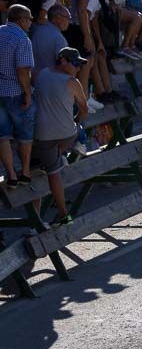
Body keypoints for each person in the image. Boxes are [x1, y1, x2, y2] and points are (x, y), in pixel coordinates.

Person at [32, 47, 89, 225]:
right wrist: (77, 121)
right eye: (75, 63)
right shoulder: (73, 82)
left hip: (41, 136)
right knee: (52, 174)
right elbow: (84, 109)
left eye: (79, 64)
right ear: (63, 61)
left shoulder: (40, 74)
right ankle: (64, 215)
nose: (78, 68)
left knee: (38, 170)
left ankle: (37, 220)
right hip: (64, 136)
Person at [0, 5, 36, 188]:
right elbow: (22, 70)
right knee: (25, 134)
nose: (31, 22)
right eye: (29, 18)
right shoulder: (22, 39)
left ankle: (11, 174)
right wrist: (28, 93)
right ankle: (25, 172)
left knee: (3, 135)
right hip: (15, 92)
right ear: (21, 20)